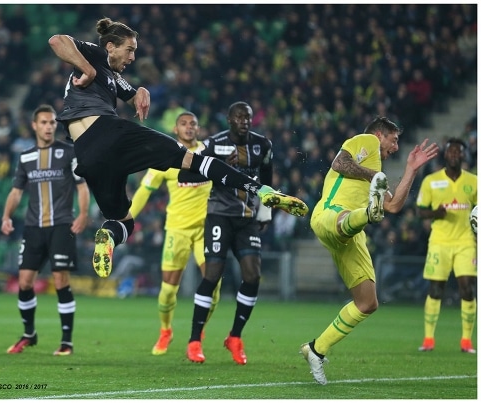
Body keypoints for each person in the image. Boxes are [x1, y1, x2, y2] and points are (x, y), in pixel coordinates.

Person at [47, 17, 308, 280]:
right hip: (108, 133)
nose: (133, 57)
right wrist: (86, 69)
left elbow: (129, 91)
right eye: (130, 49)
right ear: (111, 46)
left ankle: (107, 237)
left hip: (88, 158)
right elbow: (57, 40)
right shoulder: (95, 55)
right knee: (195, 160)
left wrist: (140, 91)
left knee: (123, 222)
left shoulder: (112, 77)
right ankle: (262, 190)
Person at [300, 116, 439, 385]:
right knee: (347, 220)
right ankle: (367, 213)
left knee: (367, 303)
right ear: (380, 134)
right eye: (394, 140)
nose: (396, 147)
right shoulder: (366, 142)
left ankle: (316, 350)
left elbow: (395, 206)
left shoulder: (377, 174)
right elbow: (339, 163)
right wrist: (374, 175)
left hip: (354, 235)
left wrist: (411, 169)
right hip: (330, 214)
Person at [186, 101, 276, 365]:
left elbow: (267, 177)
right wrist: (218, 167)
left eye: (247, 117)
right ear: (228, 120)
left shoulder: (263, 145)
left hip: (247, 219)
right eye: (238, 117)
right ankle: (194, 340)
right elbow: (188, 175)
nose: (244, 121)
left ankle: (235, 337)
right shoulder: (212, 144)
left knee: (253, 275)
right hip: (219, 215)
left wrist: (266, 211)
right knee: (212, 275)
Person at [1, 104, 90, 356]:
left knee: (61, 280)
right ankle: (29, 334)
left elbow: (82, 186)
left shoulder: (69, 152)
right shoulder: (26, 157)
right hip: (33, 227)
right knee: (24, 281)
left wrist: (83, 214)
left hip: (62, 225)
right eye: (44, 122)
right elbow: (16, 191)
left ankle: (66, 342)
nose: (49, 127)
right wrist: (6, 216)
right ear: (34, 126)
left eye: (52, 122)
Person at [129, 111, 220, 355]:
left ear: (198, 129)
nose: (189, 127)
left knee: (214, 286)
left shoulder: (209, 154)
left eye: (193, 124)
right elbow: (144, 191)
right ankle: (165, 330)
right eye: (184, 124)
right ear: (175, 130)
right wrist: (127, 219)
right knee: (168, 290)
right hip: (177, 230)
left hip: (207, 230)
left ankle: (197, 334)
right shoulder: (166, 156)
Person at [416, 138, 477, 354]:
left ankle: (466, 341)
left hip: (465, 242)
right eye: (450, 151)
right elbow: (420, 210)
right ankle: (429, 339)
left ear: (463, 155)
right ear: (445, 155)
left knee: (467, 288)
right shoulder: (431, 181)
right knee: (435, 289)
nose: (454, 155)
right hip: (439, 242)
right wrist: (435, 213)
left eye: (457, 152)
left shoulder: (474, 181)